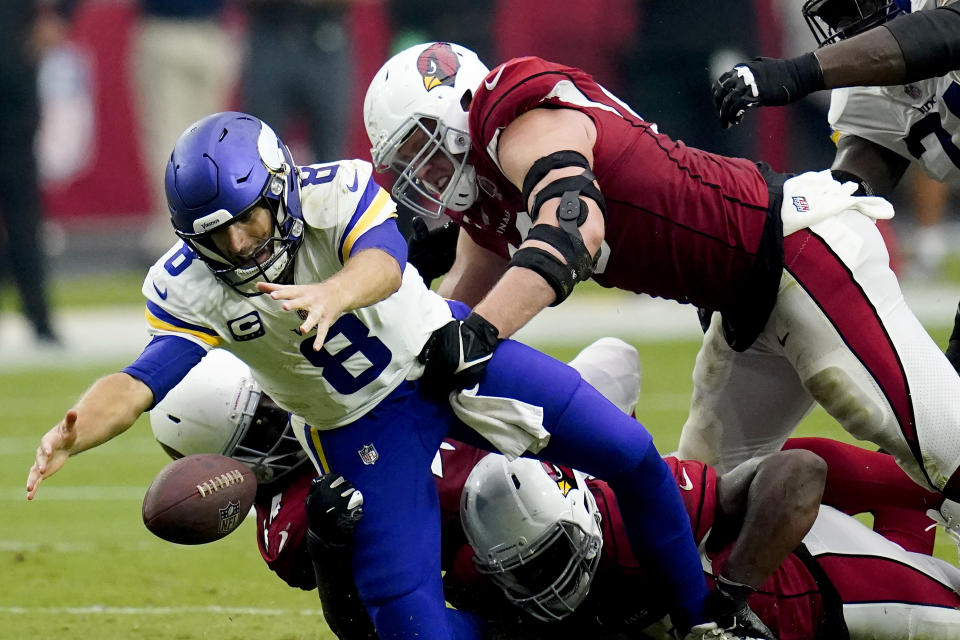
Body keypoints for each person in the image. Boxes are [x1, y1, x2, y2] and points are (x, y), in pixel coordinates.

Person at [26, 111, 744, 640]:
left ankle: (701, 616)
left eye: (247, 220)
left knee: (631, 455)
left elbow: (380, 258)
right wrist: (76, 430)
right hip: (365, 425)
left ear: (280, 186)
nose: (239, 244)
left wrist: (332, 293)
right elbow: (144, 378)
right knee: (409, 628)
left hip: (448, 357)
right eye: (216, 234)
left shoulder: (335, 191)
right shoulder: (188, 285)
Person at [361, 42, 960, 504]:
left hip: (799, 248)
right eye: (407, 164)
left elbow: (573, 229)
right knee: (699, 511)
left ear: (460, 104)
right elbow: (450, 315)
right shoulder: (489, 200)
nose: (428, 175)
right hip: (745, 303)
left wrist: (475, 338)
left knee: (940, 445)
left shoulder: (517, 113)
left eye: (426, 148)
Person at [149, 344, 960, 640]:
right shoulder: (487, 591)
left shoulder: (627, 513)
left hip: (802, 586)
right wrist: (329, 550)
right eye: (531, 576)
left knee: (618, 378)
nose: (549, 590)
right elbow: (369, 629)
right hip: (514, 505)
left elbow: (797, 475)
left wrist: (726, 603)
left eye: (548, 566)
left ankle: (937, 494)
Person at [710, 0, 960, 366]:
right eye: (832, 14)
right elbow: (848, 196)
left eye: (849, 4)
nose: (843, 22)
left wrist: (801, 73)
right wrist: (760, 257)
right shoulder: (863, 85)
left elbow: (944, 32)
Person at [0, 0, 78, 346]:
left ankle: (38, 313)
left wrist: (60, 16)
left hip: (13, 63)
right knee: (22, 205)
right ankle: (39, 316)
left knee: (22, 203)